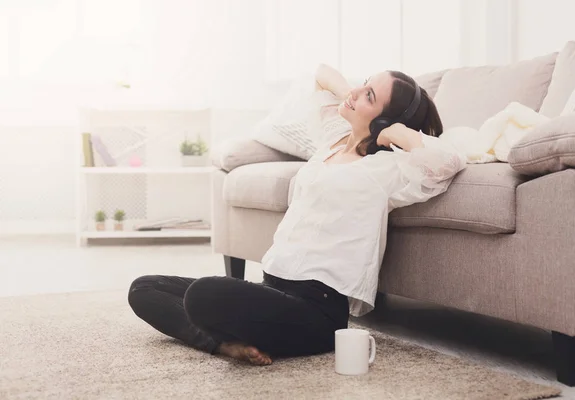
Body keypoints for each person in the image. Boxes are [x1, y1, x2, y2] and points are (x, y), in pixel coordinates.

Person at [128, 64, 467, 366]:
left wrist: (393, 132)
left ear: (384, 118)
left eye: (369, 95)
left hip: (316, 311)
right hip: (272, 288)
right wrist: (351, 93)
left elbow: (448, 161)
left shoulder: (387, 168)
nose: (354, 93)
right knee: (143, 289)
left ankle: (228, 333)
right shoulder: (333, 141)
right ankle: (222, 345)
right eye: (363, 85)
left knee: (203, 295)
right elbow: (320, 74)